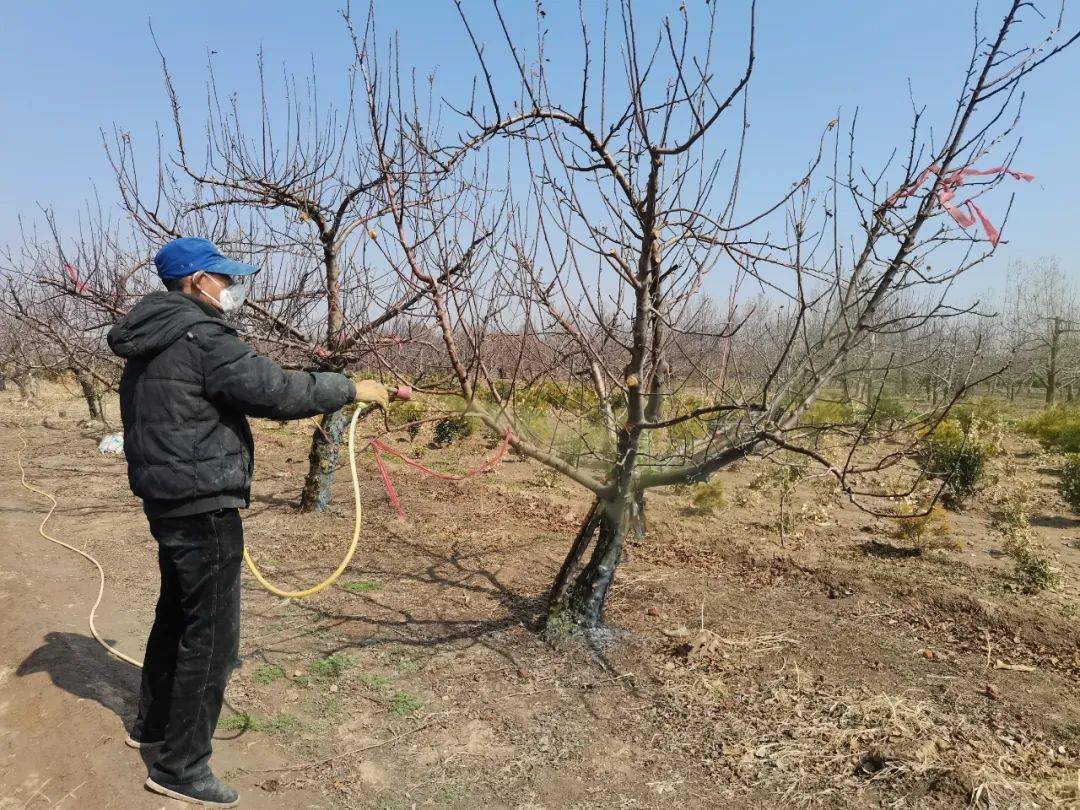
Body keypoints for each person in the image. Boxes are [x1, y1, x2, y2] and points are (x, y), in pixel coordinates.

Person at [107, 237, 388, 807]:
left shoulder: (149, 338)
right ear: (193, 282)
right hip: (202, 499)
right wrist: (349, 387)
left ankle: (152, 725)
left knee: (176, 613)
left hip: (167, 494)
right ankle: (181, 768)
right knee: (212, 634)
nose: (231, 287)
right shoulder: (201, 337)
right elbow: (276, 391)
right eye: (222, 277)